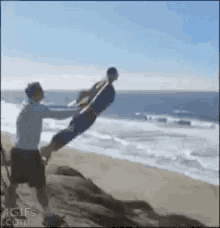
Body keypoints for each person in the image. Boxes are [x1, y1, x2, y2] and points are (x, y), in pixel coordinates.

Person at [3, 82, 81, 226]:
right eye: (42, 91)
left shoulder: (27, 106)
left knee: (13, 184)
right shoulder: (35, 109)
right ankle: (47, 216)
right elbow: (56, 113)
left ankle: (9, 214)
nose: (44, 93)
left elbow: (53, 109)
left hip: (18, 151)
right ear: (37, 93)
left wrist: (75, 107)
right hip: (30, 154)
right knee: (40, 186)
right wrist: (77, 111)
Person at [40, 67, 119, 163]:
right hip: (88, 114)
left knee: (71, 131)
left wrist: (79, 106)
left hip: (84, 112)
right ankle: (47, 149)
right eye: (116, 74)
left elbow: (83, 93)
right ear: (112, 74)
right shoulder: (107, 85)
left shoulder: (100, 83)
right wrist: (88, 109)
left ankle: (48, 150)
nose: (117, 76)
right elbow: (93, 97)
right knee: (72, 131)